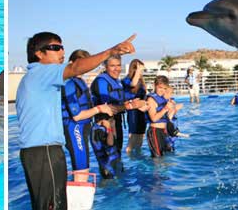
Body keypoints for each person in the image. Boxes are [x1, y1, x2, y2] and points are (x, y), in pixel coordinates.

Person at [16, 32, 135, 210]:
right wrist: (112, 50)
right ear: (38, 54)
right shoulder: (42, 72)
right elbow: (75, 68)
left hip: (40, 152)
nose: (61, 51)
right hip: (44, 152)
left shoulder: (36, 79)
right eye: (55, 48)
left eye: (62, 47)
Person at [61, 49, 112, 182]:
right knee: (81, 170)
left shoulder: (80, 81)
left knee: (84, 169)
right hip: (75, 128)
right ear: (73, 63)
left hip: (83, 127)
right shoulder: (70, 84)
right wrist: (100, 109)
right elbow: (77, 116)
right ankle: (77, 201)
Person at [90, 55, 144, 179]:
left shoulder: (116, 82)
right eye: (112, 66)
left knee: (117, 158)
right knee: (108, 165)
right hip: (105, 126)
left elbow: (123, 98)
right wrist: (131, 106)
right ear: (105, 66)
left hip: (117, 124)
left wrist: (135, 103)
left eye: (118, 65)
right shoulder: (101, 81)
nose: (116, 69)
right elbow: (108, 108)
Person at [145, 76, 182, 157]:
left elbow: (167, 117)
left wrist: (174, 109)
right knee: (158, 159)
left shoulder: (163, 99)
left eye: (164, 88)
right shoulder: (151, 100)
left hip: (164, 131)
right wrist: (165, 108)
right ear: (154, 85)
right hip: (155, 131)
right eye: (160, 88)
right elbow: (154, 118)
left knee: (167, 156)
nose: (162, 91)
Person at [122, 59, 149, 154]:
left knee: (141, 136)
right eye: (140, 70)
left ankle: (137, 157)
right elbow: (132, 84)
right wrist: (138, 71)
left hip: (142, 112)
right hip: (133, 112)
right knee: (133, 137)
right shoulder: (126, 80)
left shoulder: (141, 82)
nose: (141, 72)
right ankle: (129, 156)